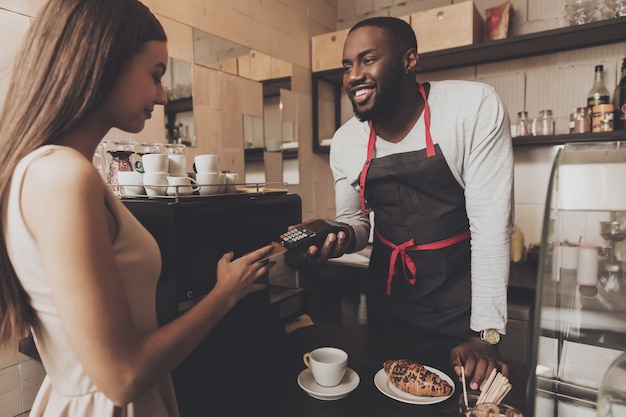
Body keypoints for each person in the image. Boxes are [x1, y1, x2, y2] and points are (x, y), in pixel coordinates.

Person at [0, 0, 275, 416]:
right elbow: (122, 375)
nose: (163, 96)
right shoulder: (63, 176)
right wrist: (224, 295)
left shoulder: (54, 170)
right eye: (155, 75)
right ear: (103, 60)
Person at [304, 16, 514, 391]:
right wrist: (338, 234)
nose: (353, 76)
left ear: (409, 60)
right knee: (384, 395)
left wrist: (486, 336)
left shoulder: (471, 108)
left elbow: (491, 225)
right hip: (388, 303)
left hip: (460, 309)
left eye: (367, 60)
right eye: (347, 66)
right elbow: (356, 224)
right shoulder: (347, 141)